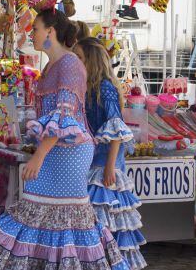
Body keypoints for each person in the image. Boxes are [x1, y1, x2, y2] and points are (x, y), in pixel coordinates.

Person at [0, 7, 129, 270]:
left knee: (59, 214)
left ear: (50, 32)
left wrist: (39, 155)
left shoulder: (69, 64)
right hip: (58, 149)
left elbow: (64, 113)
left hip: (69, 152)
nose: (31, 33)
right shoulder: (54, 65)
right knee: (39, 212)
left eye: (35, 28)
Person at [75, 37, 147, 270]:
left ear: (91, 60)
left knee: (106, 219)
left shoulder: (104, 88)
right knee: (95, 219)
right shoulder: (87, 87)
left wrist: (110, 166)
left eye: (79, 57)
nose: (75, 61)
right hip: (92, 161)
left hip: (106, 163)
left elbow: (116, 129)